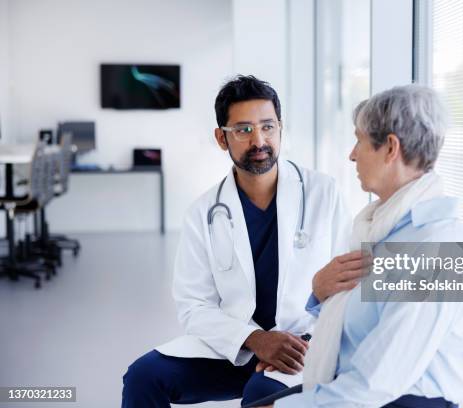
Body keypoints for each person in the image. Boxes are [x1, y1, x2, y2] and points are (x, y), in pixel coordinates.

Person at [121, 75, 368, 407]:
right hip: (234, 345)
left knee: (262, 395)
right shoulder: (203, 213)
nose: (259, 140)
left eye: (267, 127)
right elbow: (194, 305)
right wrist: (256, 339)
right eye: (243, 130)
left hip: (304, 346)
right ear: (221, 138)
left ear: (280, 128)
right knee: (143, 377)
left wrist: (303, 342)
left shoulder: (323, 194)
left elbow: (347, 287)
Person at [256, 84, 463, 407]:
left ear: (390, 148)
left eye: (358, 140)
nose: (351, 154)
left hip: (408, 400)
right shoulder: (381, 227)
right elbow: (364, 320)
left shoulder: (438, 249)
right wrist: (319, 293)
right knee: (258, 394)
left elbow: (379, 381)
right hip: (365, 386)